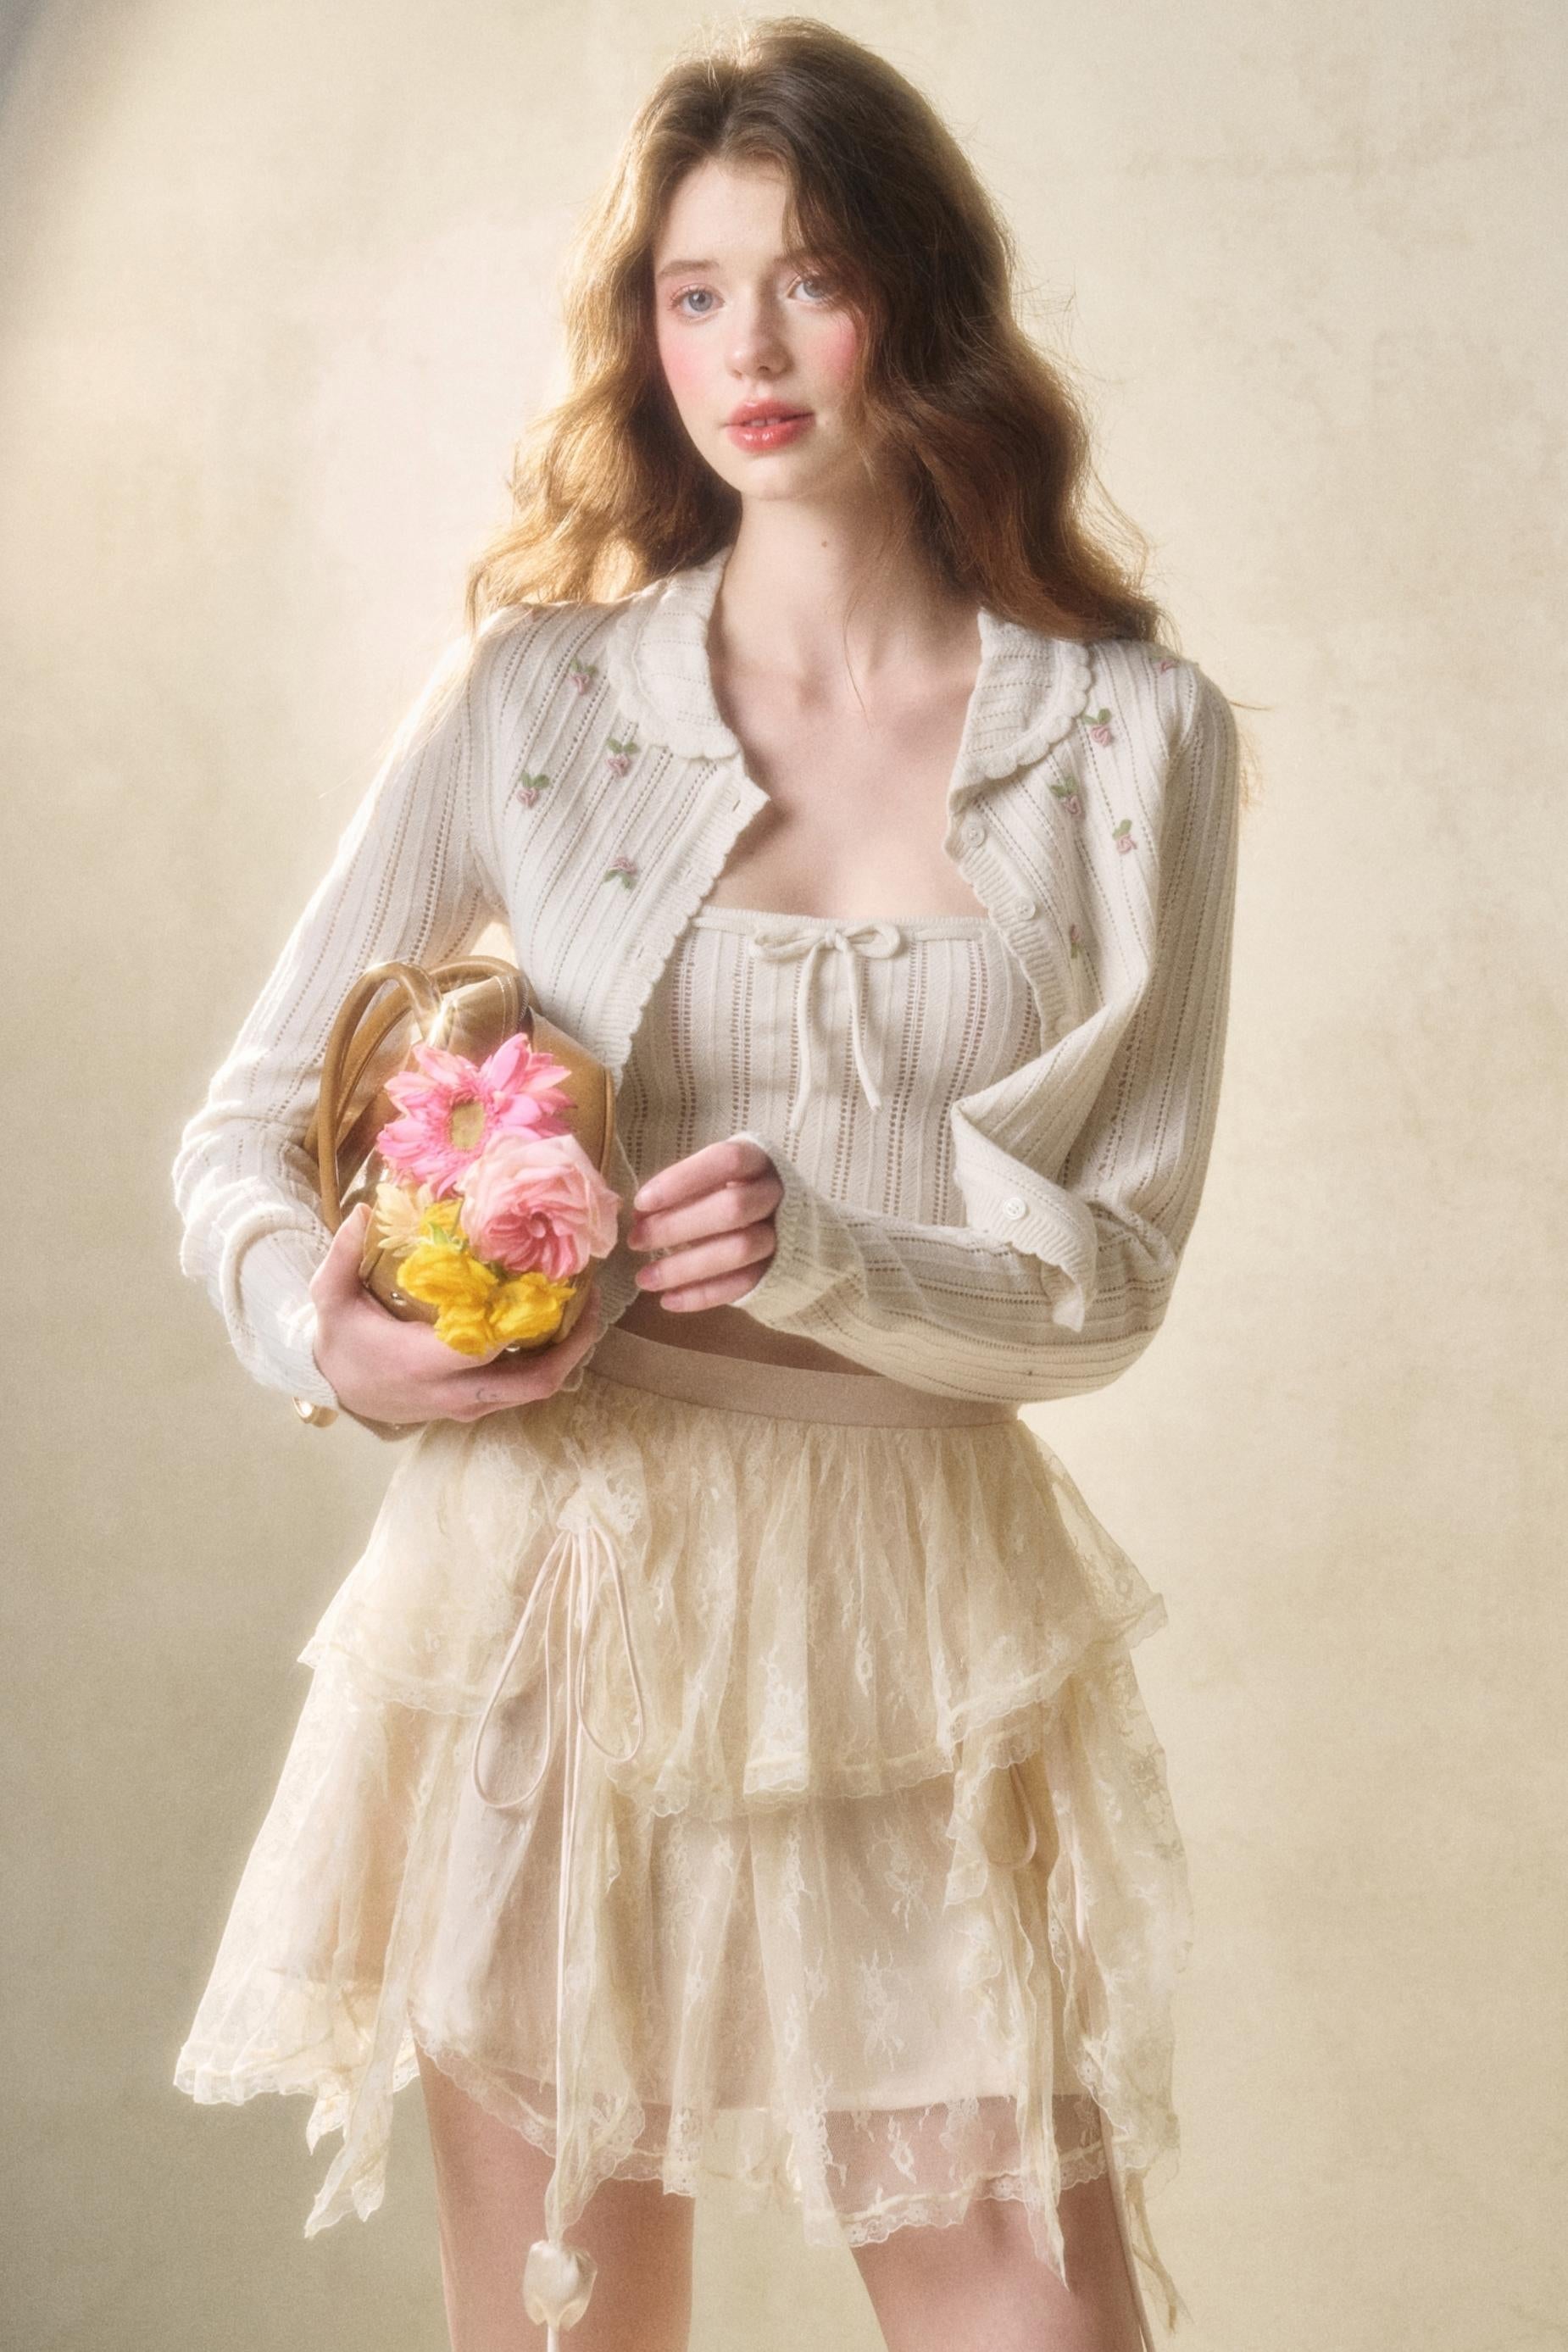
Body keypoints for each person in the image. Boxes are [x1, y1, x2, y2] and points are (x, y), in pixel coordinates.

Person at [170, 19, 1244, 2352]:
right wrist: (323, 1333)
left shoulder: (1133, 739)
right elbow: (242, 1128)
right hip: (544, 1591)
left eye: (811, 280)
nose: (748, 351)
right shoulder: (537, 701)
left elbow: (1118, 1274)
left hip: (908, 1608)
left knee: (1034, 2319)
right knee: (564, 2328)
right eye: (694, 292)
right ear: (646, 333)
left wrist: (831, 1255)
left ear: (919, 304)